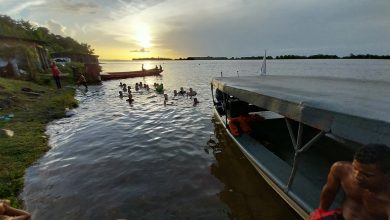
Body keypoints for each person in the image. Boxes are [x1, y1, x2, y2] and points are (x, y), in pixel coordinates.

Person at [311, 144, 390, 220]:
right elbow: (329, 191)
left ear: (388, 175)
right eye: (355, 168)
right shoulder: (341, 169)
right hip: (341, 217)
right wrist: (321, 211)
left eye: (367, 175)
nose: (357, 176)